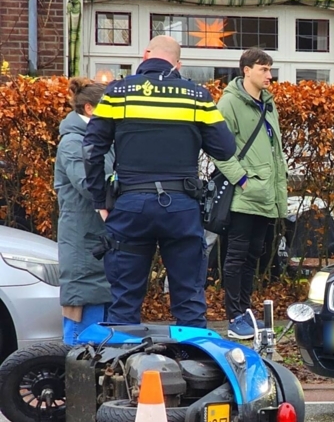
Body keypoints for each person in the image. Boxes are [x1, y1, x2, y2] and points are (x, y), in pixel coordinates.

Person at [82, 35, 236, 328]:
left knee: (124, 300)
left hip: (130, 205)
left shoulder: (117, 93)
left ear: (145, 54)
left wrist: (100, 199)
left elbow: (91, 150)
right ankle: (194, 367)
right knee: (189, 298)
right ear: (178, 64)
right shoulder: (196, 96)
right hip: (181, 207)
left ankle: (122, 369)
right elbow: (226, 149)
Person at [212, 47, 288, 340]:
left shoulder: (268, 103)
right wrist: (242, 179)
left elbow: (274, 151)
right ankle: (234, 315)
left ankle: (245, 310)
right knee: (237, 255)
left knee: (254, 255)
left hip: (266, 194)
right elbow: (219, 148)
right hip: (245, 195)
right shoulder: (229, 103)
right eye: (263, 69)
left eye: (270, 69)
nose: (269, 75)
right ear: (246, 70)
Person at [54, 77, 113, 343]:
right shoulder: (73, 142)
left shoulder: (96, 139)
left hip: (96, 240)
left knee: (98, 330)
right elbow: (90, 185)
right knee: (81, 332)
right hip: (84, 242)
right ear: (89, 109)